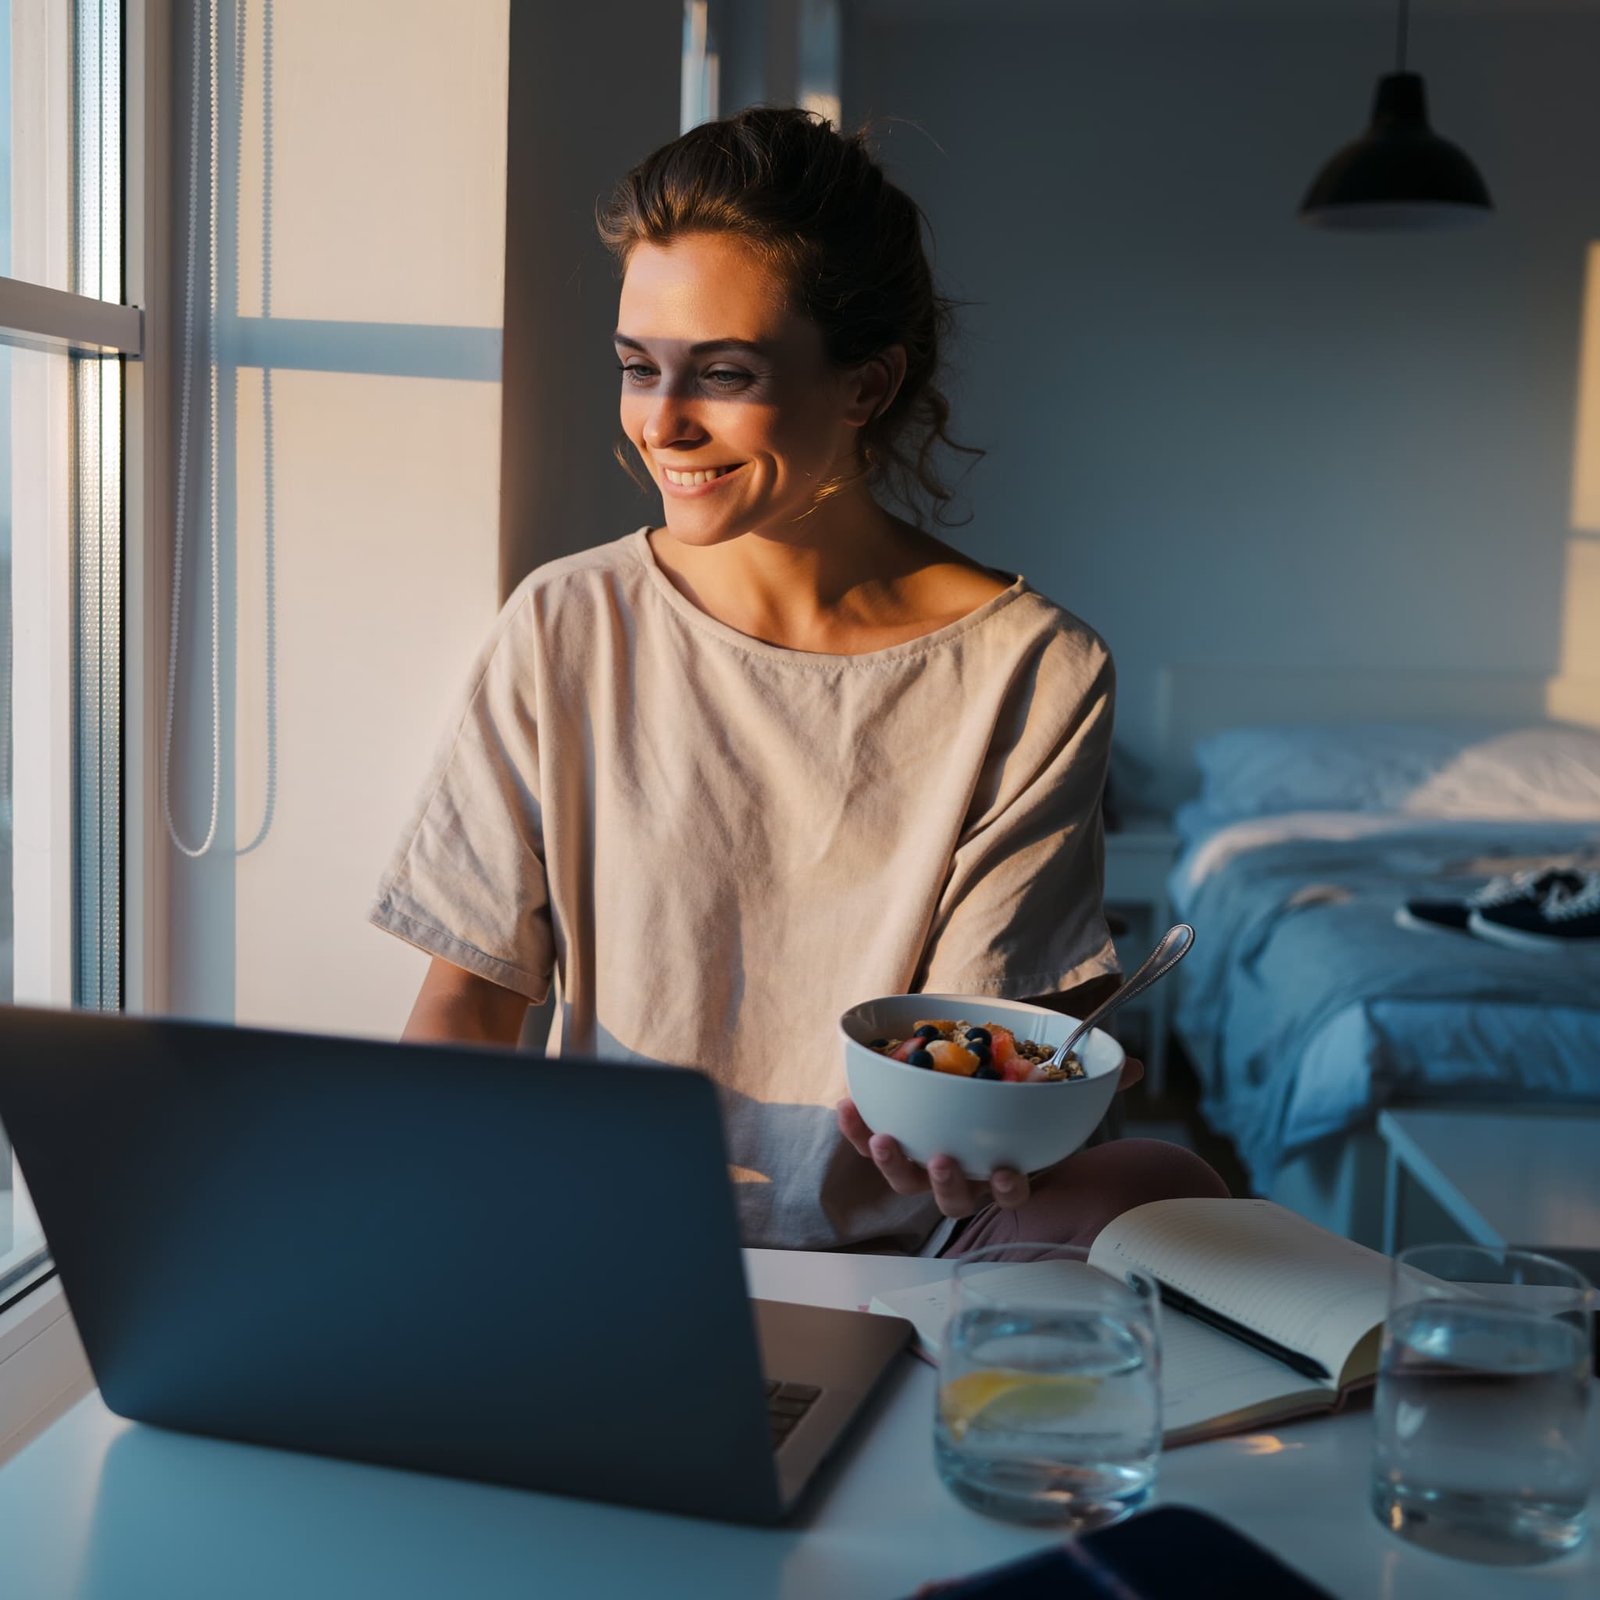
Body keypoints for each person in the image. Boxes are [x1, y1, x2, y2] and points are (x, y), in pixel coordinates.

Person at [370, 107, 1225, 1256]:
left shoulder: (1029, 667)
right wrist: (418, 1205)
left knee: (1171, 1184)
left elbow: (991, 1051)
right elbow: (469, 1000)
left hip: (916, 1260)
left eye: (723, 372)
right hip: (603, 1242)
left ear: (865, 385)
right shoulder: (567, 625)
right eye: (636, 366)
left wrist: (992, 1141)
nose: (661, 423)